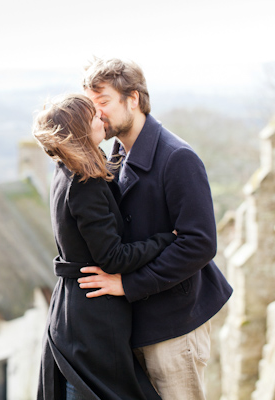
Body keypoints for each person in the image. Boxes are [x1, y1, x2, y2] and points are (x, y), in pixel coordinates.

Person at [76, 58, 233, 400]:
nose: (96, 113)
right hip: (134, 324)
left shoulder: (178, 158)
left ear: (132, 99)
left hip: (174, 326)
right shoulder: (114, 155)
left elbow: (200, 244)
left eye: (103, 102)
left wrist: (128, 284)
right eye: (91, 104)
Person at [33, 93, 177, 400]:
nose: (101, 117)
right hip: (94, 317)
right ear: (82, 131)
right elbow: (113, 257)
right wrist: (166, 239)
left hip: (75, 309)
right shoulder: (84, 183)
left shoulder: (65, 170)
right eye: (93, 116)